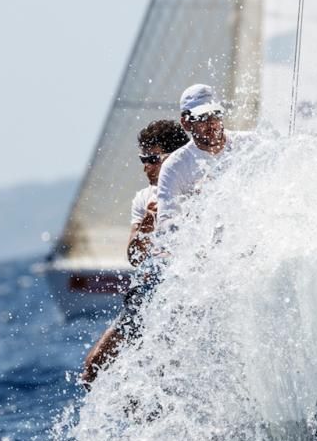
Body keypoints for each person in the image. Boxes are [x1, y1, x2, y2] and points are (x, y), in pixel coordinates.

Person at [81, 120, 189, 386]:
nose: (146, 167)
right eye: (143, 159)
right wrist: (146, 227)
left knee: (160, 376)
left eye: (153, 159)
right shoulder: (143, 199)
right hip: (146, 295)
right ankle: (146, 424)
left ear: (174, 157)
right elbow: (135, 257)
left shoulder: (195, 187)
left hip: (183, 295)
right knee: (91, 371)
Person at [156, 84, 247, 228]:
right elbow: (165, 223)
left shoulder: (250, 145)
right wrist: (194, 209)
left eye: (216, 114)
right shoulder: (174, 166)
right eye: (202, 117)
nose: (211, 123)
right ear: (186, 123)